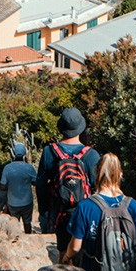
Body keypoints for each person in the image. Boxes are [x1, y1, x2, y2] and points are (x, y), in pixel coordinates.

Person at [36, 107, 100, 257]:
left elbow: (40, 184)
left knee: (64, 253)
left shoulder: (49, 152)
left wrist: (43, 211)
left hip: (60, 211)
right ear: (80, 128)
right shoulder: (91, 155)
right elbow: (98, 186)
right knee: (84, 254)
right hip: (84, 212)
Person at [0, 143, 37, 233]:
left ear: (13, 154)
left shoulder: (7, 168)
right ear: (25, 154)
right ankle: (28, 237)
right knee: (27, 222)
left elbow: (2, 187)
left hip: (12, 203)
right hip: (27, 202)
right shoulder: (29, 168)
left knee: (15, 224)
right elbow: (36, 182)